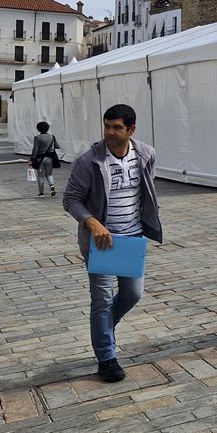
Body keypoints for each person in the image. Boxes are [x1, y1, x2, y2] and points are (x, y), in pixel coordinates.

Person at [63, 104, 163, 383]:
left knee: (133, 294)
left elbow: (147, 190)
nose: (109, 132)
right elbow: (70, 200)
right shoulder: (88, 162)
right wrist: (92, 222)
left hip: (131, 237)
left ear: (131, 129)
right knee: (103, 300)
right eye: (107, 125)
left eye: (117, 127)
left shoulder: (146, 155)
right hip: (102, 241)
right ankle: (106, 358)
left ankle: (103, 327)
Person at [31, 120, 61, 195]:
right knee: (49, 174)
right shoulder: (52, 137)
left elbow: (35, 150)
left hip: (40, 159)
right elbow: (57, 146)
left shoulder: (37, 138)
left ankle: (41, 193)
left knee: (40, 176)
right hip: (50, 158)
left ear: (38, 129)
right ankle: (52, 186)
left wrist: (32, 158)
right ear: (48, 128)